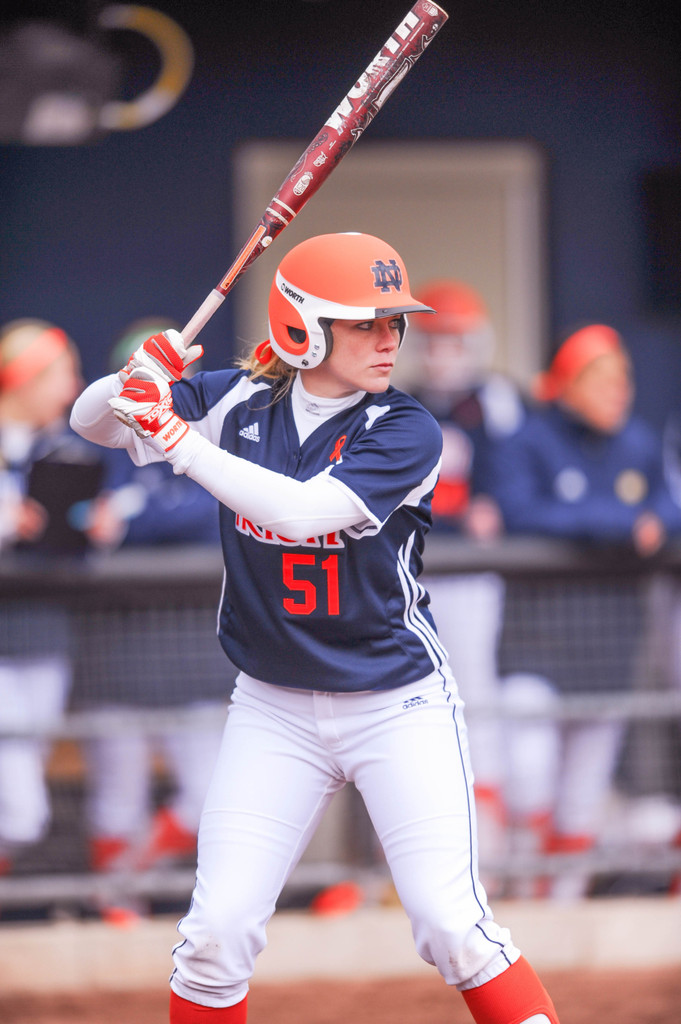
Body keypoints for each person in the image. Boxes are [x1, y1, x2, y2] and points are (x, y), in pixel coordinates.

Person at [71, 231, 561, 1024]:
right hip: (272, 705)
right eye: (365, 323)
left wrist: (176, 439)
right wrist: (131, 381)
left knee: (451, 927)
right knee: (214, 937)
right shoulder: (236, 398)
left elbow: (300, 516)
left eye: (392, 322)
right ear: (303, 327)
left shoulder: (406, 429)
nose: (389, 339)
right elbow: (93, 423)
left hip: (393, 702)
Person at [486, 323, 681, 898]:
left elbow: (668, 508)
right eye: (603, 379)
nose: (618, 392)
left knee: (581, 800)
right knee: (528, 776)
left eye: (623, 379)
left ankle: (564, 922)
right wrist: (617, 525)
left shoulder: (637, 443)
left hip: (609, 644)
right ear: (568, 383)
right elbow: (518, 514)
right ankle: (521, 910)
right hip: (535, 644)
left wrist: (651, 523)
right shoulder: (528, 439)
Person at [75, 318, 233, 923]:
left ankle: (122, 881)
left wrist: (135, 522)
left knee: (205, 795)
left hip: (191, 643)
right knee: (117, 794)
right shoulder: (104, 444)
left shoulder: (210, 438)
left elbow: (206, 509)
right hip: (114, 641)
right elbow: (85, 513)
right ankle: (119, 913)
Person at [408, 279, 526, 893]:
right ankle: (419, 860)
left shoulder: (495, 401)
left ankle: (494, 857)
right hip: (414, 572)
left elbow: (507, 491)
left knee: (476, 694)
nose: (442, 354)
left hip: (472, 579)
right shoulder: (403, 401)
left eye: (454, 341)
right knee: (414, 702)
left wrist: (486, 510)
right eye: (433, 341)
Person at [0, 317, 97, 879]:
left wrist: (92, 525)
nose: (71, 388)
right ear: (25, 378)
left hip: (43, 632)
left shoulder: (68, 452)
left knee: (21, 782)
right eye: (61, 374)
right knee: (22, 813)